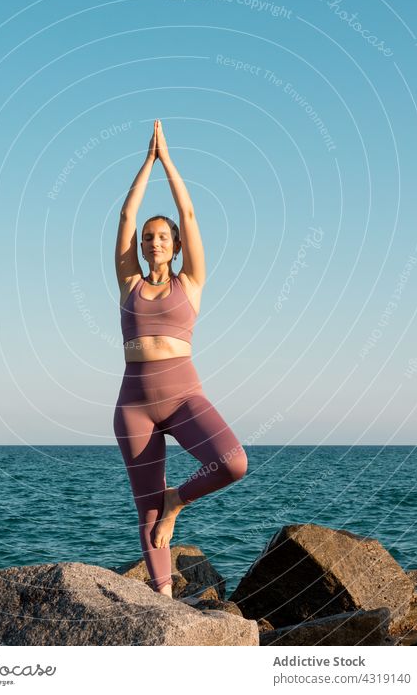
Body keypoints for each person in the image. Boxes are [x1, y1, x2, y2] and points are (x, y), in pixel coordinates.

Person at [113, 119, 248, 598]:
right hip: (134, 406)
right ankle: (163, 598)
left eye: (162, 237)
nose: (154, 242)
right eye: (149, 238)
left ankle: (178, 501)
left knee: (233, 463)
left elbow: (188, 214)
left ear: (173, 245)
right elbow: (125, 218)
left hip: (183, 395)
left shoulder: (189, 282)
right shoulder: (129, 282)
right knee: (144, 510)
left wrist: (167, 160)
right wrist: (143, 164)